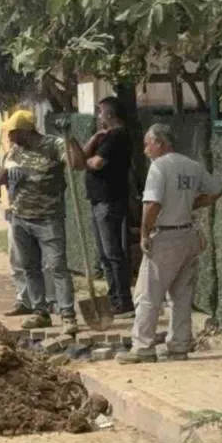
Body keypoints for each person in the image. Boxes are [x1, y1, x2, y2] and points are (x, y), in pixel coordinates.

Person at [117, 124, 222, 364]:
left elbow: (152, 204)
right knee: (181, 296)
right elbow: (217, 190)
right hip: (188, 235)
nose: (145, 150)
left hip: (165, 237)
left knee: (147, 294)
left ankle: (143, 347)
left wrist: (145, 233)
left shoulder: (159, 167)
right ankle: (178, 346)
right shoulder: (192, 166)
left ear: (160, 143)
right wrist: (191, 204)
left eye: (148, 144)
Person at [0, 110, 87, 335]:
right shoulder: (15, 150)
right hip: (20, 218)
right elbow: (3, 175)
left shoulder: (53, 145)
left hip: (48, 218)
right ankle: (40, 312)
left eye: (13, 132)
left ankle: (67, 315)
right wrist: (2, 175)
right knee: (29, 268)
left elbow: (77, 164)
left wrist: (69, 138)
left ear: (25, 131)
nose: (9, 137)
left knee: (57, 267)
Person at [82, 97, 135, 316]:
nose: (98, 116)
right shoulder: (104, 137)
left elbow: (95, 163)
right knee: (104, 255)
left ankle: (123, 300)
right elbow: (84, 156)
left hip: (109, 201)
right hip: (98, 201)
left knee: (113, 253)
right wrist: (93, 138)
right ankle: (114, 299)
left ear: (110, 114)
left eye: (100, 112)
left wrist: (84, 162)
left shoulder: (117, 136)